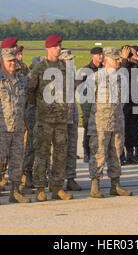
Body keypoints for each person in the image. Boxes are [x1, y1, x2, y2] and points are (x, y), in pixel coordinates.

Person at [0, 48, 30, 205]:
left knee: (17, 162)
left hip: (17, 129)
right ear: (1, 62)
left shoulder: (22, 81)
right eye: (9, 61)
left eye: (14, 60)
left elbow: (26, 104)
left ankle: (15, 191)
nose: (12, 63)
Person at [28, 35, 73, 201]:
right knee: (41, 154)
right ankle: (40, 188)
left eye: (60, 45)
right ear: (48, 48)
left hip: (61, 120)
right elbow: (30, 91)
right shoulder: (39, 68)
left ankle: (57, 188)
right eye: (55, 46)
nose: (58, 49)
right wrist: (42, 106)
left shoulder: (64, 67)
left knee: (61, 155)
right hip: (44, 120)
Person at [88, 47, 132, 198]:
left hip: (117, 121)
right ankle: (95, 185)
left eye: (119, 58)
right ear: (106, 60)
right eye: (115, 58)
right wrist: (92, 118)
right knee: (99, 154)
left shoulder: (122, 78)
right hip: (100, 123)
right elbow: (87, 101)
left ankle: (116, 185)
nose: (119, 60)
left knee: (117, 154)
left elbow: (124, 99)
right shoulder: (95, 77)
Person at [58, 49, 82, 191]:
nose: (70, 62)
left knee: (72, 149)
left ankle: (71, 178)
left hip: (72, 115)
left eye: (71, 60)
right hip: (60, 117)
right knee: (59, 150)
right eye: (67, 59)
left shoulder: (71, 74)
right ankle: (57, 180)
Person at [21, 56, 45, 193]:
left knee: (43, 148)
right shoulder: (29, 79)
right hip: (32, 113)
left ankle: (40, 175)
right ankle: (28, 174)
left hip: (44, 114)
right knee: (31, 145)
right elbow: (27, 98)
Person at [78, 47, 103, 163]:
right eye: (98, 55)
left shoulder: (104, 69)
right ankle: (86, 152)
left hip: (102, 104)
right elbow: (78, 87)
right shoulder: (85, 70)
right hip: (89, 104)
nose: (101, 56)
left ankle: (99, 152)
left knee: (101, 129)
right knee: (88, 128)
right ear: (92, 56)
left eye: (101, 54)